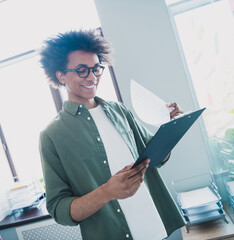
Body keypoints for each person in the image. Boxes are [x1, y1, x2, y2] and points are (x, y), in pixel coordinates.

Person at [39, 29, 185, 240]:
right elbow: (58, 210)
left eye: (96, 69)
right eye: (81, 70)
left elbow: (156, 158)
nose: (92, 77)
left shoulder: (120, 111)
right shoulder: (51, 135)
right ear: (60, 75)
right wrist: (107, 192)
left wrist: (171, 127)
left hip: (158, 230)